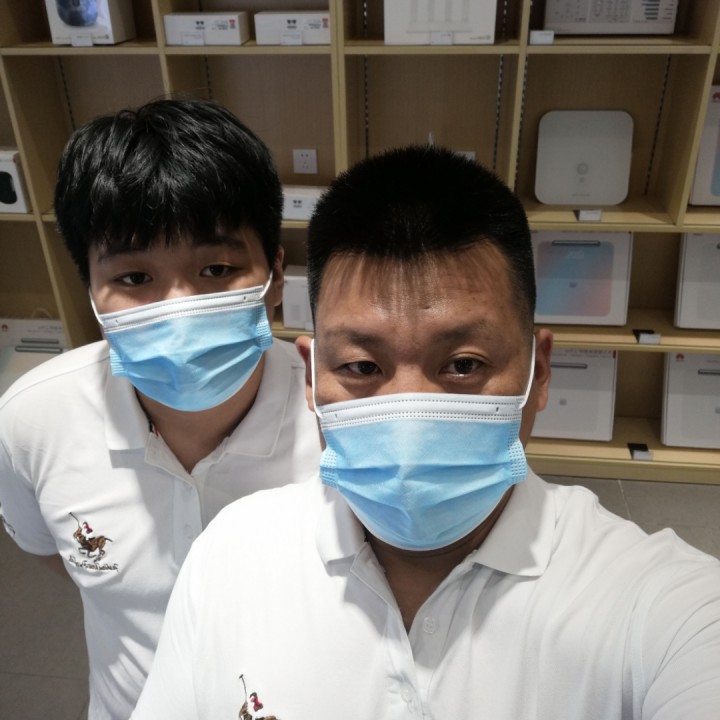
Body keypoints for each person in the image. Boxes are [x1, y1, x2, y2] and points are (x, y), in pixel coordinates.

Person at [131, 146, 720, 720]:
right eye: (362, 367)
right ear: (311, 380)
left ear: (539, 372)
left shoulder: (666, 608)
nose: (408, 412)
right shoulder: (230, 557)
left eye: (463, 365)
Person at [0, 98, 322, 720]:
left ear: (276, 276)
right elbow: (51, 551)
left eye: (216, 268)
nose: (179, 306)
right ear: (90, 288)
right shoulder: (31, 421)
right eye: (134, 278)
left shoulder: (338, 419)